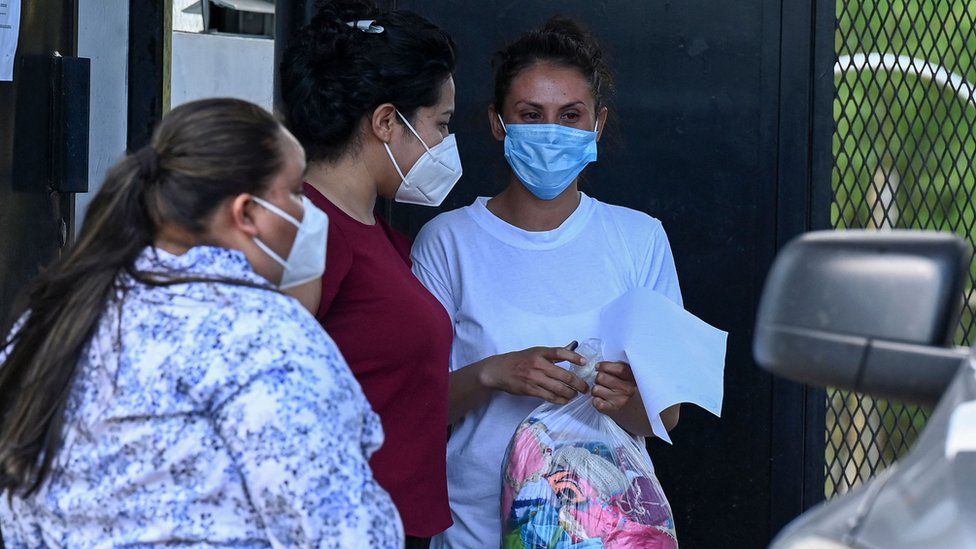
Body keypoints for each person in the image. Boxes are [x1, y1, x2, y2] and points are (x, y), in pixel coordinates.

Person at [0, 98, 402, 547]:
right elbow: (346, 528)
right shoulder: (262, 333)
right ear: (246, 213)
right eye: (294, 192)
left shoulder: (59, 311)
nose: (308, 212)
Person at [411, 17, 683, 547]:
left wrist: (619, 397)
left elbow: (664, 415)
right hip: (473, 532)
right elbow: (417, 409)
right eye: (531, 115)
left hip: (601, 533)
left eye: (571, 116)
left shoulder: (639, 239)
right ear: (498, 123)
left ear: (597, 125)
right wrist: (495, 373)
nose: (551, 131)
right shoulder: (447, 242)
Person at [277, 1, 460, 545]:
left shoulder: (372, 229)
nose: (446, 145)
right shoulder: (310, 232)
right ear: (386, 121)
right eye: (441, 125)